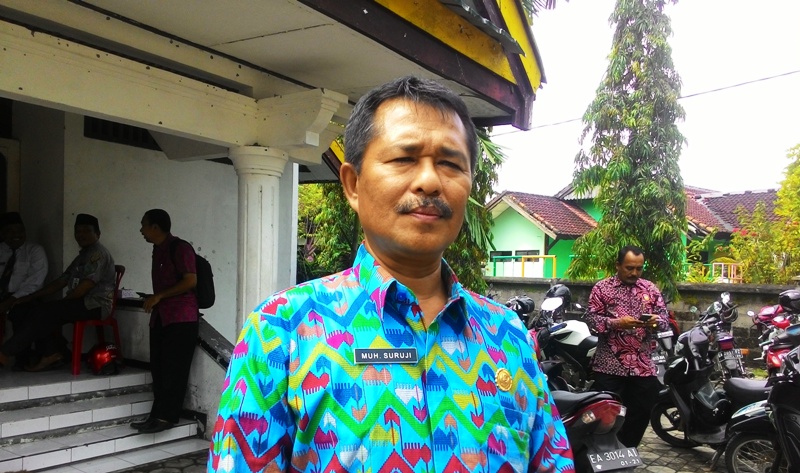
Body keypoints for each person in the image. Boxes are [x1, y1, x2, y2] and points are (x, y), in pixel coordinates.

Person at [208, 76, 574, 472]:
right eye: (404, 159)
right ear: (353, 184)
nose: (430, 181)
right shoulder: (280, 332)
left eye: (450, 164)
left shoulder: (509, 336)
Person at [0, 213, 116, 371]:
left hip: (95, 305)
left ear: (97, 234)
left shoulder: (98, 254)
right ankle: (51, 353)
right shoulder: (82, 256)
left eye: (86, 231)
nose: (81, 234)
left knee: (47, 311)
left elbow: (86, 286)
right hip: (80, 302)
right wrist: (31, 296)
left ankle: (6, 352)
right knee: (35, 309)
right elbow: (62, 281)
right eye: (78, 231)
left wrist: (61, 304)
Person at [584, 245, 670, 448]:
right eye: (629, 268)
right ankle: (604, 451)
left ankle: (627, 451)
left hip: (642, 366)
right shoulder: (602, 288)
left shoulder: (650, 289)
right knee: (606, 415)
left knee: (641, 412)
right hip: (610, 366)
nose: (634, 273)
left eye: (639, 268)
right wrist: (616, 323)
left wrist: (656, 322)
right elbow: (591, 321)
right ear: (618, 265)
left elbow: (665, 322)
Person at [129, 209, 199, 434]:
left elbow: (190, 280)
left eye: (144, 225)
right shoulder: (158, 249)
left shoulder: (180, 247)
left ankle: (166, 417)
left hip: (181, 318)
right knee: (158, 367)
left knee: (174, 369)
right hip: (162, 316)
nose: (141, 230)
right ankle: (156, 415)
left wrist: (159, 296)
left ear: (155, 227)